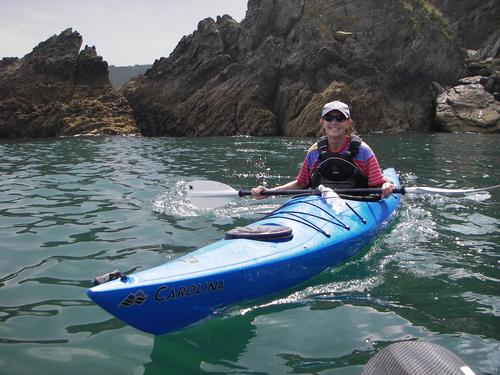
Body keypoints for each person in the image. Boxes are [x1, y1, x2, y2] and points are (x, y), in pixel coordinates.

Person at [251, 100, 395, 199]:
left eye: (340, 118)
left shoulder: (363, 151)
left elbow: (378, 183)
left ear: (348, 123)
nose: (334, 122)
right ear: (322, 122)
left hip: (357, 204)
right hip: (321, 205)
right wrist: (269, 192)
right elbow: (301, 183)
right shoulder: (314, 152)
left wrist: (386, 185)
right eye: (329, 117)